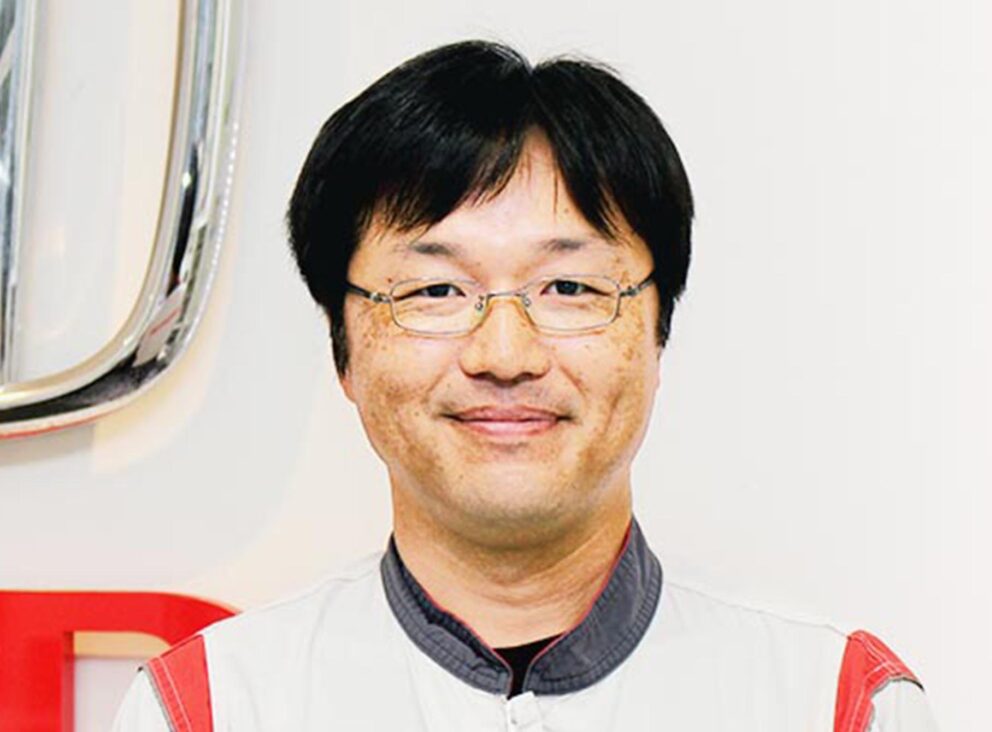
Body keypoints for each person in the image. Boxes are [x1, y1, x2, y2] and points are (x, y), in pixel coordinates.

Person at [112, 40, 939, 731]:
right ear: (345, 352)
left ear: (657, 335)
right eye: (436, 290)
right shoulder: (213, 708)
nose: (504, 353)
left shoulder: (833, 702)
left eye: (569, 288)